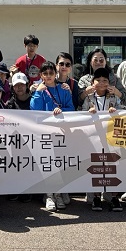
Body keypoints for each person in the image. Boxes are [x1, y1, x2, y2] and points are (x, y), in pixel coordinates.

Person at [29, 61, 74, 212]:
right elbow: (34, 110)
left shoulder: (63, 89)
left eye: (51, 73)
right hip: (44, 132)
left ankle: (59, 193)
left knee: (60, 164)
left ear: (55, 74)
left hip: (61, 132)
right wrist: (37, 93)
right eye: (45, 73)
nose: (48, 76)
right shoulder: (39, 89)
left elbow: (71, 108)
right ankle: (49, 195)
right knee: (47, 164)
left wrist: (61, 111)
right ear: (41, 75)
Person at [82, 67, 124, 211]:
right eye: (98, 80)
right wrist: (88, 113)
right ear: (92, 82)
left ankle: (114, 197)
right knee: (96, 166)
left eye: (104, 80)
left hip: (111, 137)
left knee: (113, 166)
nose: (101, 83)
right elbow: (81, 114)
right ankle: (96, 197)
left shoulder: (113, 97)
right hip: (94, 137)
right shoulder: (89, 98)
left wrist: (116, 111)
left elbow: (124, 111)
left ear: (109, 83)